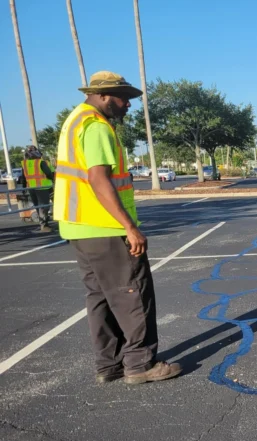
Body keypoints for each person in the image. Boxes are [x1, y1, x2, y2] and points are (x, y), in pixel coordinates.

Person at [52, 71, 181, 385]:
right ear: (104, 96)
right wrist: (129, 227)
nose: (128, 105)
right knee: (132, 294)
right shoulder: (96, 127)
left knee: (99, 298)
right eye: (124, 98)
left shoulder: (74, 121)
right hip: (104, 227)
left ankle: (108, 365)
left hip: (78, 227)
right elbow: (99, 179)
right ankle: (139, 365)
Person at [19, 145, 54, 232]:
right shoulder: (40, 162)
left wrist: (24, 189)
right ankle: (44, 225)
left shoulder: (25, 164)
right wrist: (52, 180)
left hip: (31, 188)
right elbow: (49, 173)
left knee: (38, 207)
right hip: (43, 188)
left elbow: (23, 178)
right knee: (44, 207)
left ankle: (43, 223)